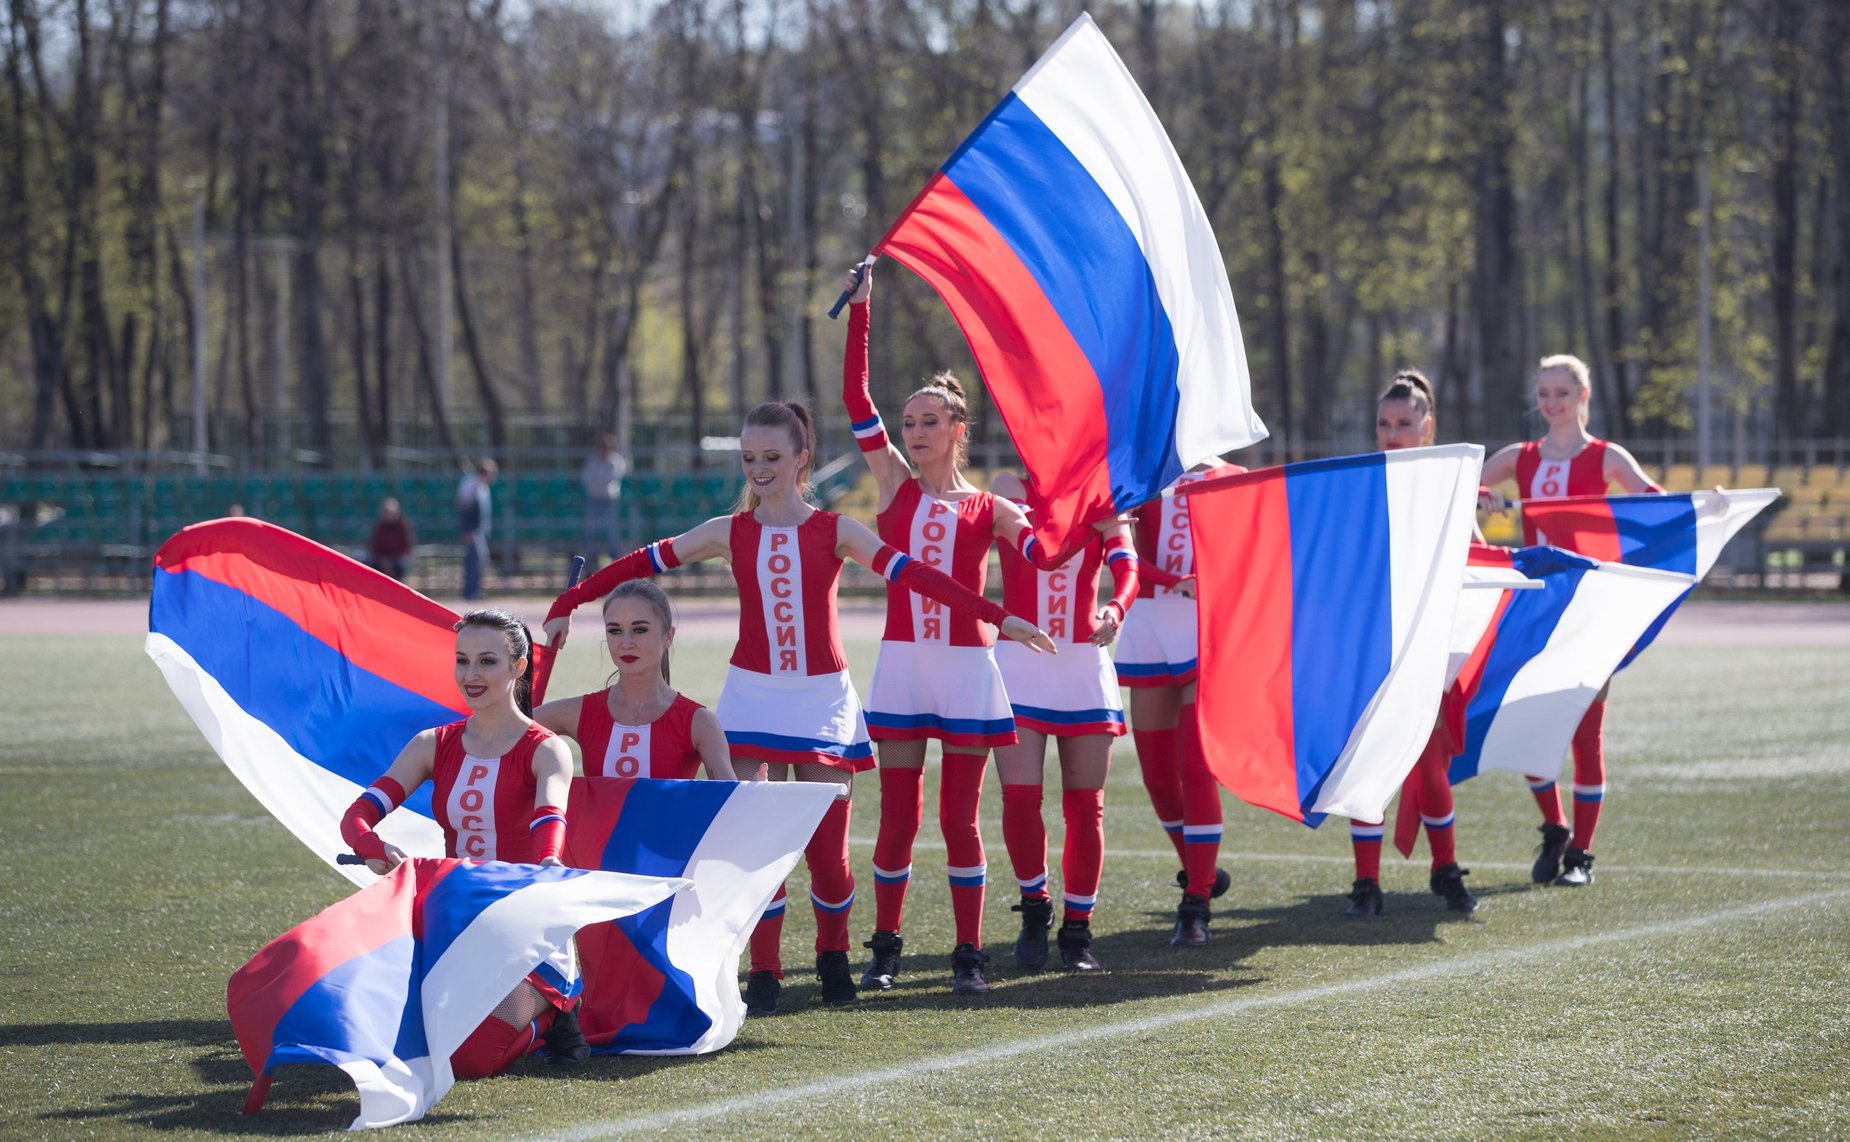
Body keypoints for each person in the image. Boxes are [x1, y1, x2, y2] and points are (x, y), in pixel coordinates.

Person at [540, 400, 1054, 1013]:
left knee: (829, 855)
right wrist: (568, 601)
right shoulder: (727, 531)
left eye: (771, 458)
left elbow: (918, 577)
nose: (759, 469)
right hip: (753, 698)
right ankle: (765, 971)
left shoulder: (835, 529)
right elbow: (640, 563)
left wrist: (1000, 618)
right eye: (750, 458)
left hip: (821, 702)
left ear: (801, 458)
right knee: (761, 847)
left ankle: (834, 957)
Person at [840, 265, 1067, 996]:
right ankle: (885, 947)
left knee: (960, 818)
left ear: (958, 431)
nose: (915, 431)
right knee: (898, 816)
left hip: (969, 667)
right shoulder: (897, 485)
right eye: (909, 423)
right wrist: (863, 311)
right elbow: (853, 400)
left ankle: (970, 953)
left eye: (929, 421)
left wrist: (1062, 516)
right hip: (904, 664)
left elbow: (1043, 552)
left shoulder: (988, 507)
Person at [338, 608, 588, 1077]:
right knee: (384, 1038)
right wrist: (372, 846)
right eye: (462, 660)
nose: (471, 675)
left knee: (468, 1058)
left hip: (527, 932)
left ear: (518, 666)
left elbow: (550, 817)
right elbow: (358, 816)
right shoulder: (432, 743)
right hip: (453, 926)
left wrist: (549, 862)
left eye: (487, 661)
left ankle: (555, 1017)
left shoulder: (547, 748)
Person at [1480, 354, 1665, 889]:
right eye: (1543, 393)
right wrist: (1484, 497)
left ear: (1583, 396)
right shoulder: (1520, 456)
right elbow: (1454, 488)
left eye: (1561, 392)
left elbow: (1657, 503)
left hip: (1590, 611)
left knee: (1586, 736)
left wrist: (1712, 505)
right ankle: (1555, 828)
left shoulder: (1607, 457)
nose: (1550, 402)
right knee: (1529, 725)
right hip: (1536, 608)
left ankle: (1581, 855)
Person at [988, 470, 1143, 973]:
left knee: (1085, 807)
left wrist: (1116, 608)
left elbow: (1127, 564)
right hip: (1019, 662)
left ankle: (1078, 931)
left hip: (1082, 663)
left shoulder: (1103, 493)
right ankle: (1036, 910)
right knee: (1021, 797)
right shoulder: (1007, 488)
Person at [1343, 370, 1478, 918]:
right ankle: (1366, 884)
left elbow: (1474, 554)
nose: (1391, 434)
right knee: (1367, 761)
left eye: (1403, 424)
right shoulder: (1359, 481)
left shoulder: (1447, 483)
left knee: (1428, 767)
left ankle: (1444, 870)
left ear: (1427, 427)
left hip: (1425, 647)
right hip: (1372, 644)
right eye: (1382, 424)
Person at [1118, 459, 1240, 947]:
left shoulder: (1231, 476)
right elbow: (1118, 545)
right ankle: (1200, 872)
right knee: (1157, 774)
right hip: (1149, 622)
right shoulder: (1143, 466)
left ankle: (1196, 903)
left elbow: (1245, 553)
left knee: (1197, 765)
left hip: (1203, 626)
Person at [532, 579, 730, 781]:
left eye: (639, 630)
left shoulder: (698, 722)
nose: (626, 643)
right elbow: (507, 730)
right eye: (615, 631)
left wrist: (755, 791)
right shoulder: (580, 712)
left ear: (668, 636)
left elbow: (732, 799)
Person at [581, 433, 631, 563]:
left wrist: (597, 481)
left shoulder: (616, 461)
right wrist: (599, 482)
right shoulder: (592, 461)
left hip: (609, 500)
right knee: (591, 528)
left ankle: (615, 557)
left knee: (612, 529)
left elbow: (611, 478)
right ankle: (590, 558)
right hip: (594, 499)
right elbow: (586, 478)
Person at [457, 459, 498, 601]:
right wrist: (467, 530)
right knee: (473, 561)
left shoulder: (482, 486)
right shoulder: (470, 485)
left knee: (478, 561)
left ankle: (474, 591)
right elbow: (465, 509)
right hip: (472, 531)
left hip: (479, 530)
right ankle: (469, 592)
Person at [368, 498, 415, 581]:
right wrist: (382, 559)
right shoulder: (379, 526)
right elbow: (375, 547)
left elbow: (406, 547)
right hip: (381, 559)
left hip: (397, 558)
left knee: (401, 565)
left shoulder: (403, 526)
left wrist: (391, 561)